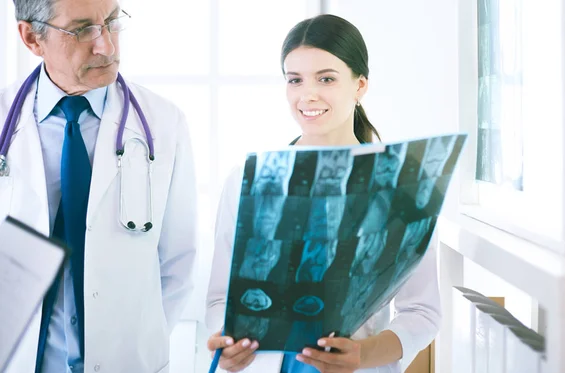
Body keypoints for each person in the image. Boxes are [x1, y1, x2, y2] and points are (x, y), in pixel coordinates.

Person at [205, 14, 441, 373]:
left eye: (326, 79)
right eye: (294, 80)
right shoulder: (247, 180)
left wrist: (364, 354)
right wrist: (227, 345)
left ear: (360, 85)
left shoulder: (402, 185)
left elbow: (422, 311)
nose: (307, 95)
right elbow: (221, 298)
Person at [0, 0, 198, 372]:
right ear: (31, 37)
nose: (105, 45)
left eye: (110, 22)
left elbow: (177, 264)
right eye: (81, 30)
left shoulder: (165, 124)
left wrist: (132, 346)